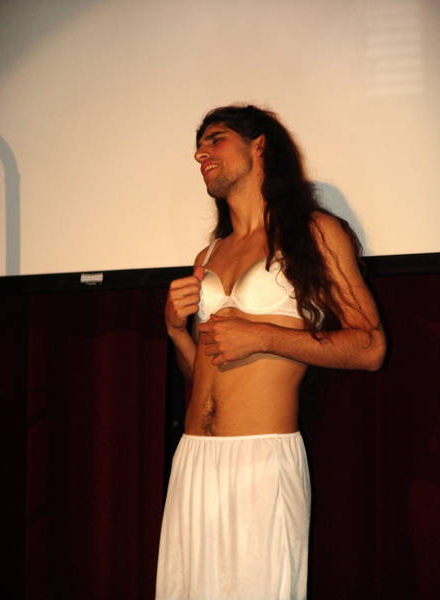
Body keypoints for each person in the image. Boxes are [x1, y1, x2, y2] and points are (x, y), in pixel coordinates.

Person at [155, 105, 386, 600]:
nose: (200, 154)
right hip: (194, 458)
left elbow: (370, 347)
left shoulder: (314, 233)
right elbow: (203, 374)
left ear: (258, 145)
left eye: (215, 139)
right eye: (198, 146)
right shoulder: (208, 254)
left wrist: (265, 337)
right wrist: (176, 332)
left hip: (262, 461)